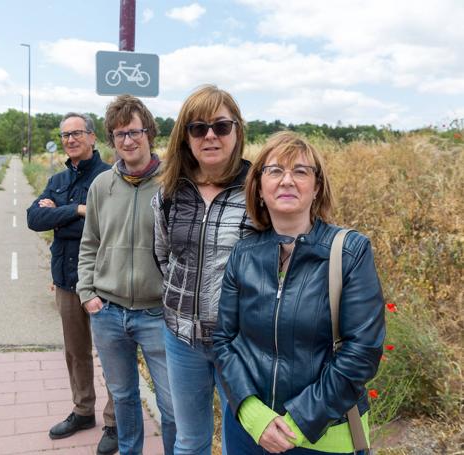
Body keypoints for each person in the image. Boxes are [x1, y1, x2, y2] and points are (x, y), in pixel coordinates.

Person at [213, 131, 386, 454]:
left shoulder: (349, 251)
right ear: (260, 187)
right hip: (249, 432)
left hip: (324, 436)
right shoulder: (244, 254)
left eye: (301, 171)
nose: (287, 180)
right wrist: (252, 413)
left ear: (316, 187)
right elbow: (224, 339)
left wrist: (296, 423)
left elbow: (362, 352)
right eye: (275, 170)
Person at [152, 84, 252, 455]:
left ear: (237, 131)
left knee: (238, 442)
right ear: (186, 137)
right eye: (198, 128)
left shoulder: (258, 189)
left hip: (241, 344)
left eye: (221, 126)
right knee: (189, 441)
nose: (210, 135)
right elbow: (162, 256)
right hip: (181, 339)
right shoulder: (168, 192)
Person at [77, 95, 176, 455]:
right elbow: (89, 244)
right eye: (119, 135)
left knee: (171, 404)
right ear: (112, 140)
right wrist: (87, 293)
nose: (128, 141)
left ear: (149, 133)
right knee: (123, 397)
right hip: (108, 312)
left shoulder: (174, 184)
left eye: (134, 131)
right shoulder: (102, 186)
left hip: (157, 315)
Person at [27, 113, 117, 455]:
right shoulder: (58, 178)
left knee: (112, 355)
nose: (70, 140)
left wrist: (62, 213)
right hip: (65, 281)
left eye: (76, 133)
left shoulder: (109, 177)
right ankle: (83, 411)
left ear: (92, 137)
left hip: (102, 282)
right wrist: (76, 210)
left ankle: (115, 420)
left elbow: (105, 225)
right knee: (75, 353)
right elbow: (34, 219)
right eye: (64, 135)